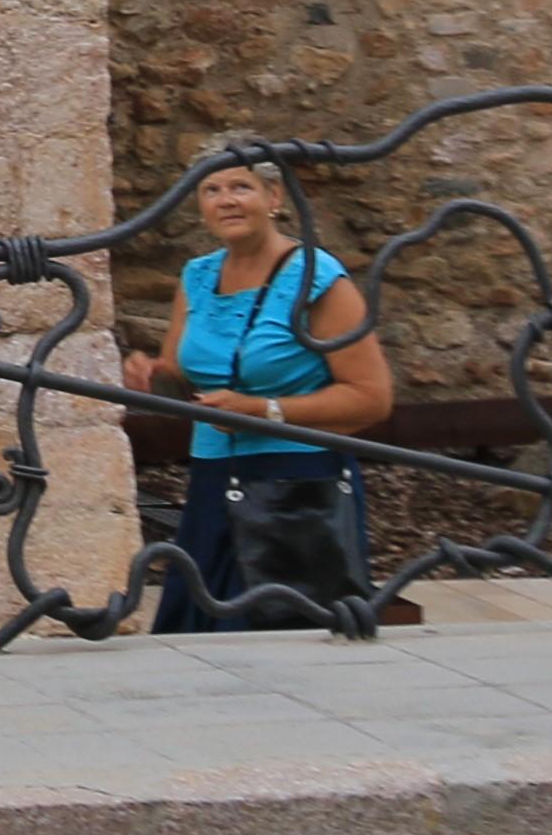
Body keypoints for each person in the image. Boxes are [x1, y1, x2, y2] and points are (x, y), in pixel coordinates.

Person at [122, 150, 394, 630]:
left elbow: (372, 398)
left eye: (240, 187)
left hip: (294, 491)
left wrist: (263, 410)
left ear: (274, 197)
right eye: (211, 190)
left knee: (277, 636)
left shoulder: (315, 278)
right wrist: (154, 376)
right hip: (213, 481)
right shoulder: (198, 276)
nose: (225, 200)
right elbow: (186, 381)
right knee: (201, 635)